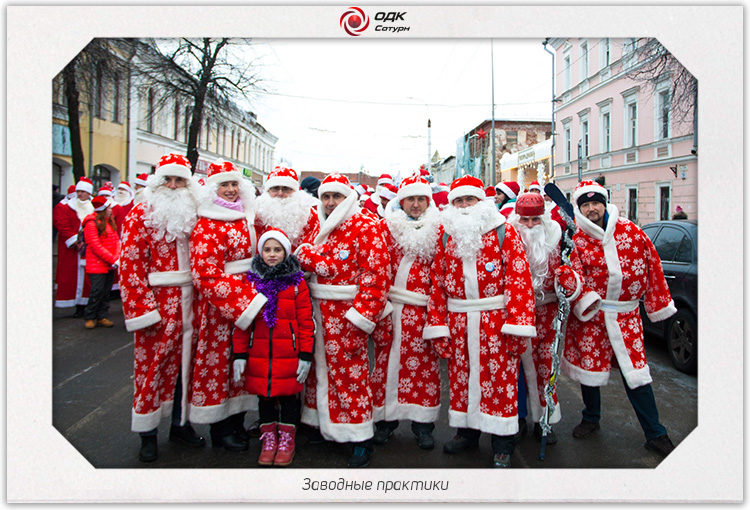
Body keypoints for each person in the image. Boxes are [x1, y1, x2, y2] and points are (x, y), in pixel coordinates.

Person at [424, 175, 537, 468]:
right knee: (463, 380)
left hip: (496, 322)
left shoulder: (503, 231)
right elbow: (437, 283)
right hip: (459, 322)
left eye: (469, 200)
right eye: (458, 201)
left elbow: (519, 279)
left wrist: (518, 325)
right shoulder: (446, 235)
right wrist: (438, 326)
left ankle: (503, 443)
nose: (464, 206)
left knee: (499, 382)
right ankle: (467, 433)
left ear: (481, 202)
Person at [561, 180, 678, 457]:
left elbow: (653, 265)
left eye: (596, 203)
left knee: (636, 375)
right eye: (586, 205)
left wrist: (658, 304)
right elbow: (571, 276)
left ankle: (655, 433)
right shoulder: (575, 239)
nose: (592, 209)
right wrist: (583, 300)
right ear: (580, 208)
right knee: (590, 372)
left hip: (627, 316)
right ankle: (591, 417)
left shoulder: (631, 231)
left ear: (605, 203)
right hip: (592, 316)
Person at [295, 173, 391, 468]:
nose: (330, 202)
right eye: (325, 196)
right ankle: (320, 423)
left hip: (347, 314)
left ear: (348, 197)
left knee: (351, 373)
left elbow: (376, 277)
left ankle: (360, 436)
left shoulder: (366, 225)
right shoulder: (318, 224)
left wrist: (361, 319)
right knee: (318, 372)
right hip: (317, 311)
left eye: (336, 196)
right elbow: (304, 257)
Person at [119, 153, 206, 462]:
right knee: (152, 368)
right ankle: (148, 432)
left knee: (187, 368)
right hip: (159, 304)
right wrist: (142, 310)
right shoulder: (140, 214)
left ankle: (181, 425)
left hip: (192, 303)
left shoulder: (197, 213)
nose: (173, 185)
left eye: (179, 180)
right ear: (157, 182)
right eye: (167, 179)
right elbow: (130, 264)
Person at [508, 193, 601, 444]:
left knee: (546, 369)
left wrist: (568, 280)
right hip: (516, 314)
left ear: (544, 219)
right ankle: (516, 420)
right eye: (525, 220)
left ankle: (544, 421)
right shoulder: (507, 238)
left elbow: (576, 273)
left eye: (535, 220)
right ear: (517, 219)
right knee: (514, 370)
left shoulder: (559, 240)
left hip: (549, 315)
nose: (530, 226)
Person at [189, 160, 268, 452]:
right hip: (220, 308)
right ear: (213, 189)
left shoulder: (247, 216)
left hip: (251, 297)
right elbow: (205, 274)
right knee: (219, 364)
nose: (231, 189)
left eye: (235, 184)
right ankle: (219, 428)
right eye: (225, 184)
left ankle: (237, 421)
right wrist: (242, 302)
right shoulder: (207, 223)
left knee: (243, 363)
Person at [371, 174, 444, 450]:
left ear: (428, 201)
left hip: (424, 311)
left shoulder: (439, 230)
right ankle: (385, 421)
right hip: (391, 309)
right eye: (410, 199)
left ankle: (423, 425)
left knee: (424, 369)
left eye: (420, 199)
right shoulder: (386, 228)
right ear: (401, 202)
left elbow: (442, 273)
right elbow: (376, 266)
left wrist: (437, 313)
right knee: (386, 366)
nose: (415, 204)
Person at [231, 228, 314, 467]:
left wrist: (305, 355)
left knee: (288, 399)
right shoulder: (251, 281)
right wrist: (239, 354)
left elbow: (305, 321)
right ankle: (268, 438)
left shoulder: (296, 283)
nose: (272, 254)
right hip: (259, 355)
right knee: (264, 399)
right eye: (267, 249)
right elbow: (242, 320)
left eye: (277, 249)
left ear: (286, 253)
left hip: (289, 354)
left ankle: (287, 439)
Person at [53, 176, 94, 316]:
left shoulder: (94, 207)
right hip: (72, 250)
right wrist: (76, 240)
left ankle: (85, 305)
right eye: (78, 191)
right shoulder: (65, 206)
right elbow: (61, 224)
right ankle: (77, 305)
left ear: (89, 193)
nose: (80, 194)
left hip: (91, 248)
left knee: (89, 278)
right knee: (72, 277)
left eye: (83, 191)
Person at [255, 166, 320, 250]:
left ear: (295, 192)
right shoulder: (256, 214)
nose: (280, 193)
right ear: (268, 191)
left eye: (285, 189)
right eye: (275, 188)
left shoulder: (309, 215)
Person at [80, 195, 121, 329]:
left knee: (105, 292)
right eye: (108, 207)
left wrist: (116, 257)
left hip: (109, 264)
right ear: (103, 209)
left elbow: (116, 241)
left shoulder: (109, 222)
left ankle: (102, 316)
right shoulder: (91, 223)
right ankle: (90, 317)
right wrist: (113, 259)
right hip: (97, 265)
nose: (111, 210)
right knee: (96, 291)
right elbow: (95, 246)